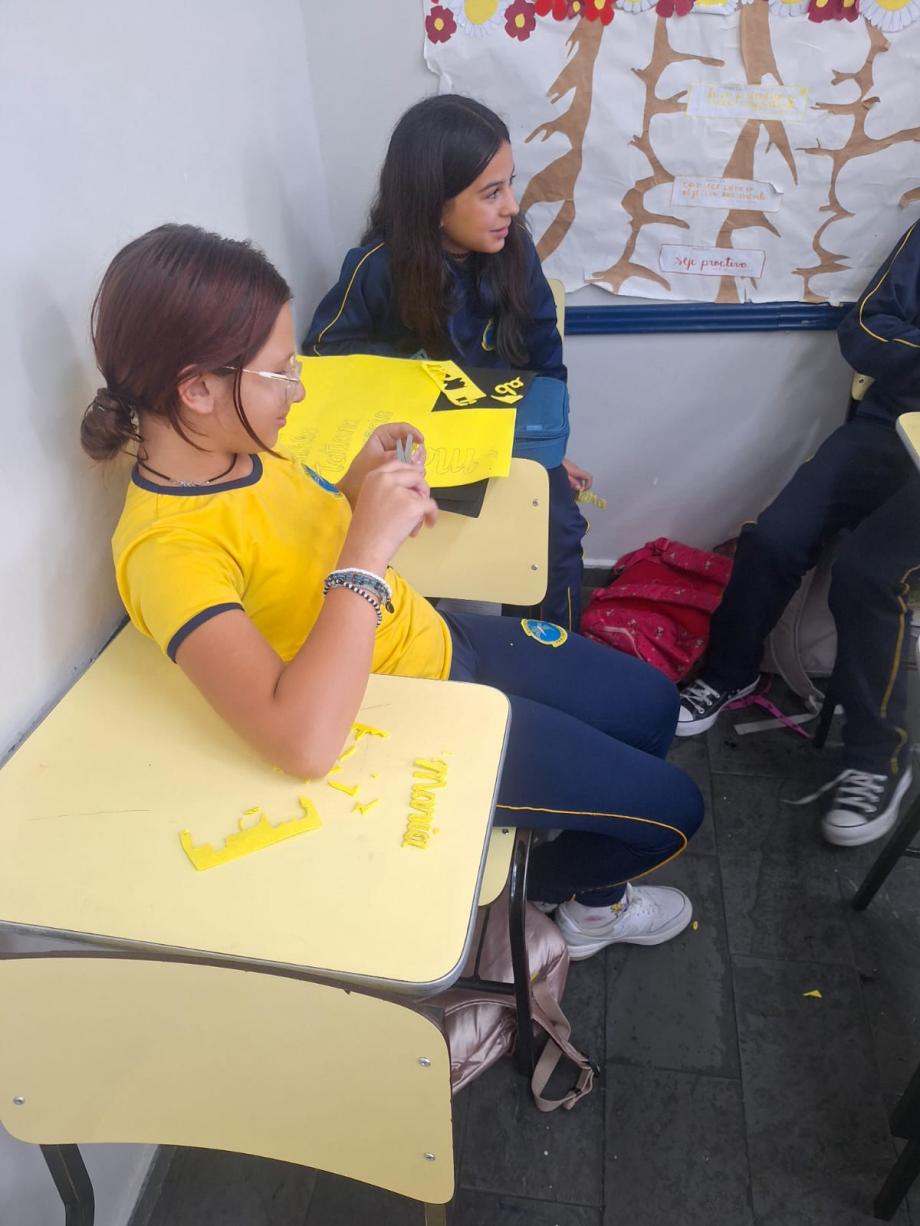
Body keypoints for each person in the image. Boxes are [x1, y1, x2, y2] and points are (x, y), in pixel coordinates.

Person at [82, 222, 703, 961]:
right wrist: (369, 547)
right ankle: (543, 897)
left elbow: (285, 545)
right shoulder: (165, 552)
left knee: (652, 704)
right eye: (279, 373)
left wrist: (355, 483)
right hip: (399, 722)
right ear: (196, 389)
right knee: (674, 811)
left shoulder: (239, 446)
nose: (298, 389)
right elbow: (302, 741)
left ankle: (588, 877)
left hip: (434, 640)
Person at [304, 94, 591, 632]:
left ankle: (550, 649)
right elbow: (324, 360)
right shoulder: (377, 269)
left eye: (509, 184)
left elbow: (545, 364)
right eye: (492, 192)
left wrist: (550, 453)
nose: (512, 207)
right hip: (418, 455)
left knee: (557, 530)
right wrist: (412, 376)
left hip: (503, 444)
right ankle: (422, 649)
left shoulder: (516, 254)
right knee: (417, 552)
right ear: (434, 204)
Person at [677, 221, 920, 849]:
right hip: (890, 426)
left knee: (869, 574)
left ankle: (877, 759)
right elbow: (865, 329)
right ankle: (730, 672)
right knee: (773, 538)